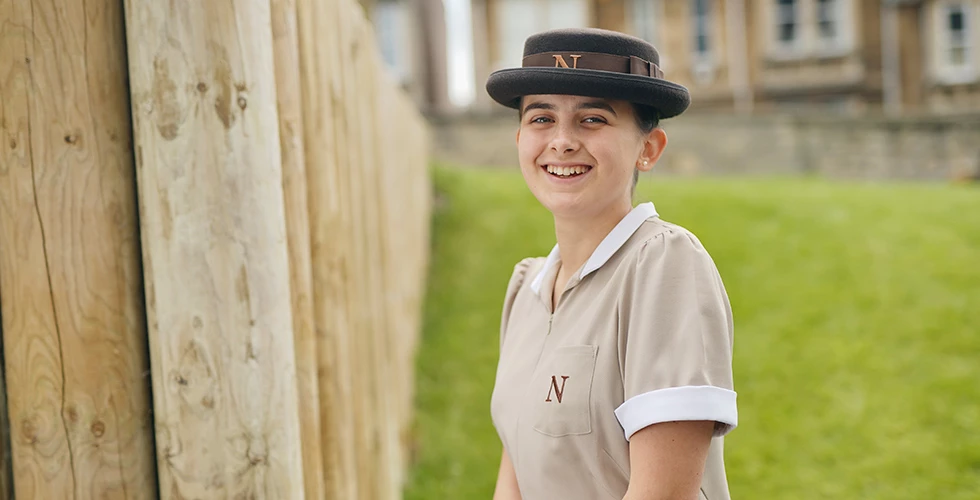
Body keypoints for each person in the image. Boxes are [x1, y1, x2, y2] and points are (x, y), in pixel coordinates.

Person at [485, 28, 738, 500]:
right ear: (519, 136)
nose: (561, 141)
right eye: (542, 118)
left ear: (650, 148)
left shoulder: (663, 267)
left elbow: (662, 495)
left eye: (593, 119)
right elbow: (515, 473)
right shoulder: (526, 289)